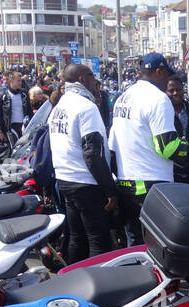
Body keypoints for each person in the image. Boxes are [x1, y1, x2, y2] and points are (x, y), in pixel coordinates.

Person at [108, 53, 189, 245]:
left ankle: (135, 274)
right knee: (158, 243)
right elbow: (167, 148)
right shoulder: (158, 99)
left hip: (126, 181)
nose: (167, 82)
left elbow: (113, 142)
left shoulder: (123, 97)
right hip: (152, 183)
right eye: (167, 76)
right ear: (159, 72)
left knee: (134, 242)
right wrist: (187, 147)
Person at [48, 63, 118, 261]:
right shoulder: (87, 107)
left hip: (65, 180)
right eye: (91, 76)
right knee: (98, 240)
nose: (95, 81)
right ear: (82, 79)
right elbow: (92, 154)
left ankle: (72, 279)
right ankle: (101, 285)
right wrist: (110, 190)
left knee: (77, 237)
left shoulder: (59, 107)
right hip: (86, 182)